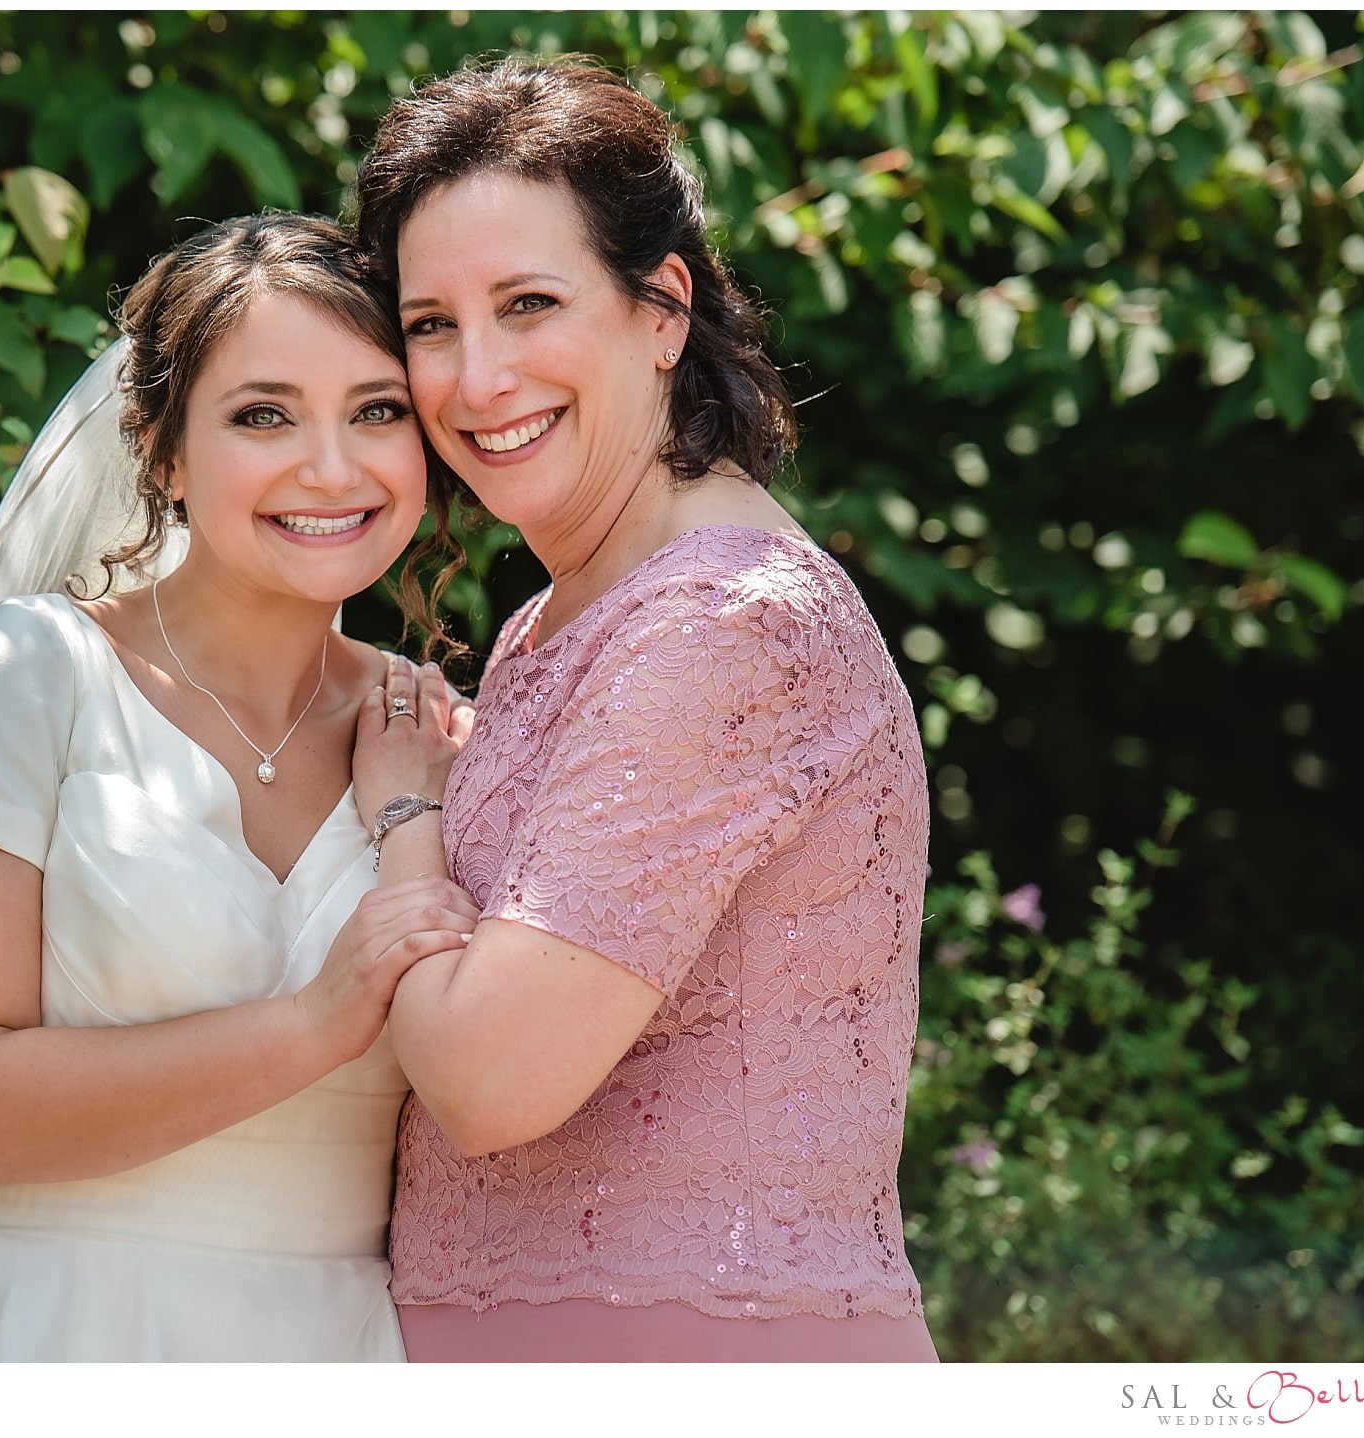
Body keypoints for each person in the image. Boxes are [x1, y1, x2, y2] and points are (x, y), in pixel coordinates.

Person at [0, 213, 478, 1362]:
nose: (332, 467)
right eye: (263, 414)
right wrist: (310, 1022)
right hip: (23, 1335)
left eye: (376, 410)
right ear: (158, 447)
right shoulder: (20, 683)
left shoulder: (437, 733)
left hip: (335, 1356)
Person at [351, 57, 940, 1362]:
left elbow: (494, 1080)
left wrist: (401, 814)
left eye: (528, 304)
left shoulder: (724, 624)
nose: (476, 376)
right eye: (432, 323)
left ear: (661, 307)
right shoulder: (555, 621)